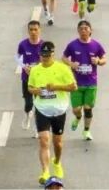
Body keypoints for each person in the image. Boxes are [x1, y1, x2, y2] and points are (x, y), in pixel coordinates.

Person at [27, 40, 75, 181]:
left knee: (57, 143)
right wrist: (36, 91)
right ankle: (45, 172)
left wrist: (56, 87)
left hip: (59, 110)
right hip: (42, 109)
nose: (45, 57)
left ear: (53, 54)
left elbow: (73, 87)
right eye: (43, 55)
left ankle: (57, 162)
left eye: (47, 55)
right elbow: (30, 87)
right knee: (44, 140)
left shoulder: (63, 68)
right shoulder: (35, 70)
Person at [63, 18, 106, 140]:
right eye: (81, 29)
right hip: (76, 83)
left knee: (88, 108)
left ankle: (86, 131)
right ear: (78, 31)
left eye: (86, 28)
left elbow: (104, 59)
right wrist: (71, 64)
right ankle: (77, 117)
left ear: (90, 30)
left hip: (91, 83)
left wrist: (98, 61)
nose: (83, 31)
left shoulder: (96, 45)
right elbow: (64, 57)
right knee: (76, 109)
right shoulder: (72, 45)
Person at [16, 18, 45, 130]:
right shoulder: (23, 44)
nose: (33, 32)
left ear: (39, 30)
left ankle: (38, 127)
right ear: (28, 31)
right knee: (28, 103)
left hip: (40, 80)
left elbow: (48, 61)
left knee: (39, 104)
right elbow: (17, 57)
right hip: (26, 79)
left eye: (35, 29)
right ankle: (28, 115)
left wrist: (37, 67)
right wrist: (24, 67)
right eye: (31, 29)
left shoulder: (43, 45)